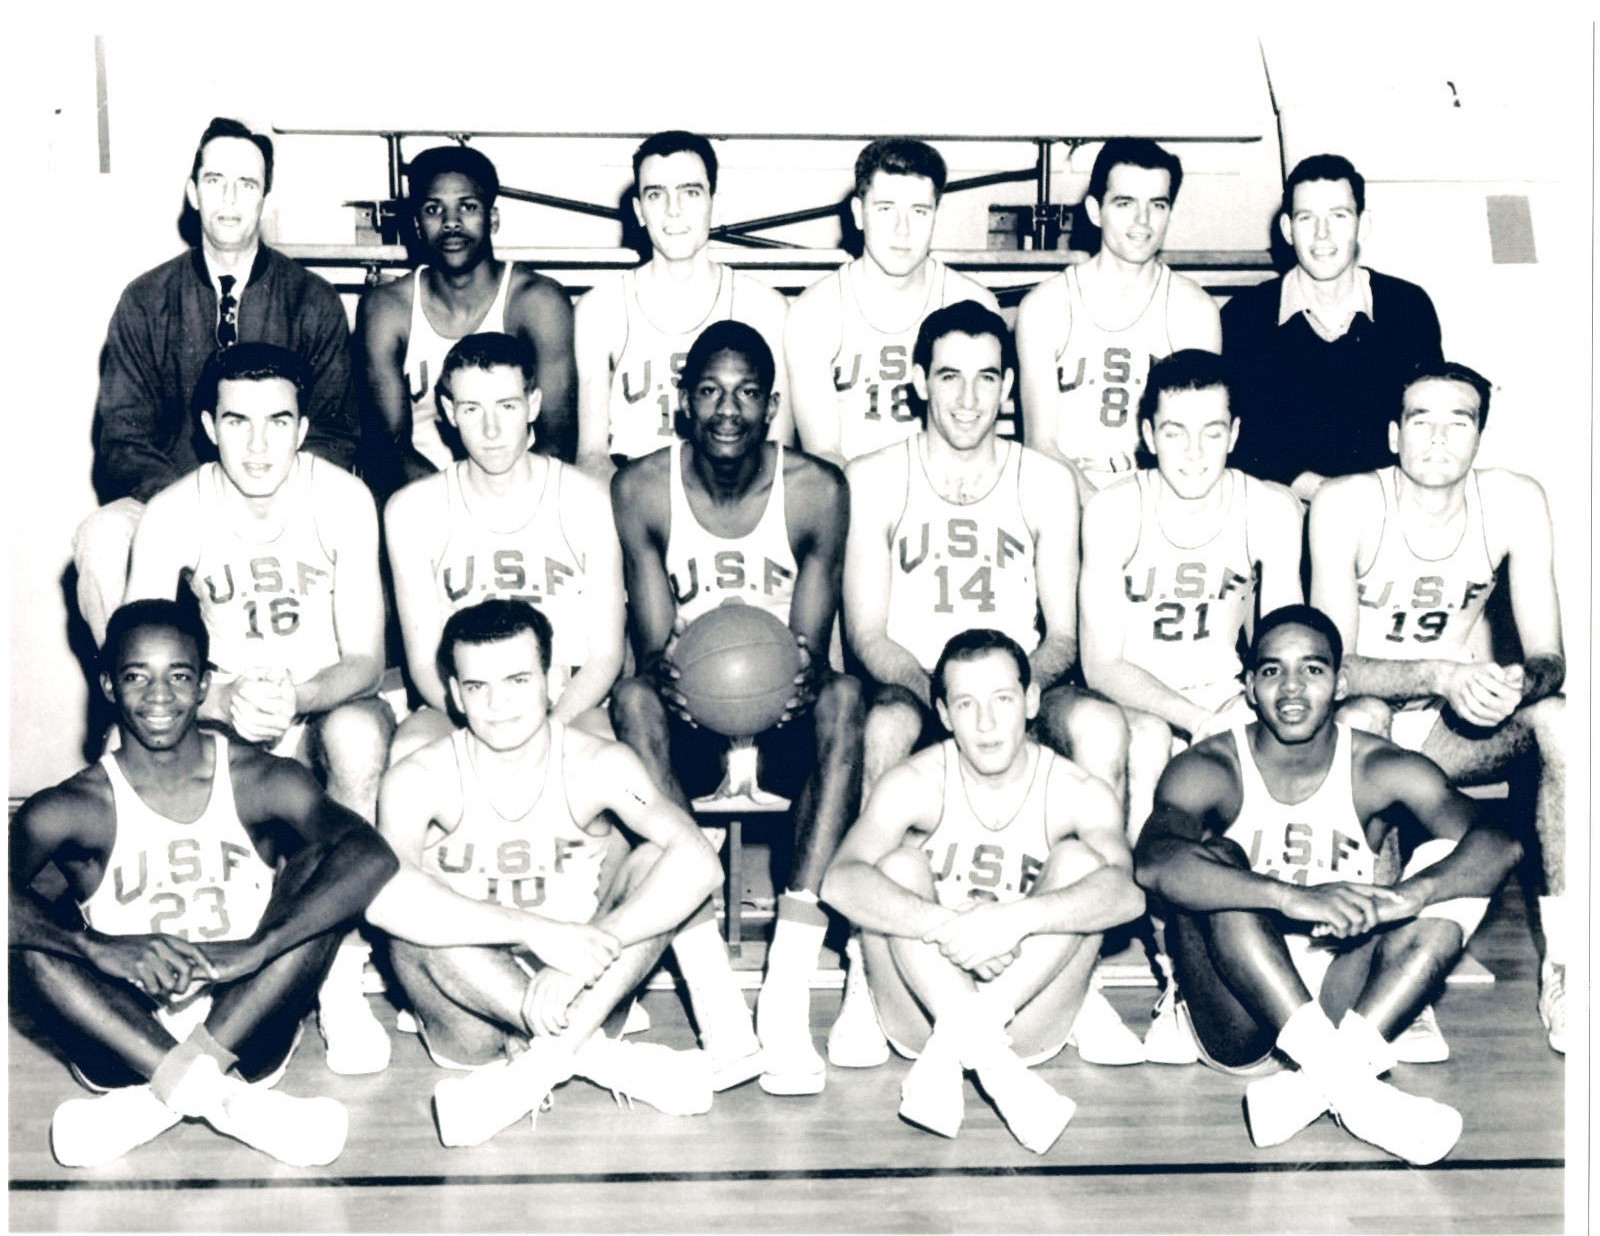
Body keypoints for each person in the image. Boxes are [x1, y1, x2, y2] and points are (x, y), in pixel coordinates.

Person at [841, 300, 1141, 1068]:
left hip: (1019, 683)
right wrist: (949, 702)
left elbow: (1064, 635)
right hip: (918, 684)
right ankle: (863, 971)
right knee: (885, 727)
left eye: (986, 378)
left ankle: (1080, 971)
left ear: (1009, 387)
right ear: (918, 382)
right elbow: (868, 634)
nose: (968, 399)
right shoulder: (874, 477)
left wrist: (1006, 698)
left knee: (1104, 726)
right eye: (950, 377)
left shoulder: (1045, 480)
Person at [9, 600, 398, 1169]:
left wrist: (256, 948)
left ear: (203, 686)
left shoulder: (260, 778)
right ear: (109, 686)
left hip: (247, 1017)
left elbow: (372, 856)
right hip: (122, 1029)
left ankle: (159, 1101)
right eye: (136, 676)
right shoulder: (70, 806)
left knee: (326, 884)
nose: (159, 697)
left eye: (178, 676)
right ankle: (225, 1101)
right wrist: (93, 947)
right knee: (33, 942)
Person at [1133, 605, 1520, 1165]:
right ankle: (1357, 1092)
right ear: (1249, 687)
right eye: (1272, 671)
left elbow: (1498, 843)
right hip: (1238, 1011)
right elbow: (1154, 862)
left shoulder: (1377, 765)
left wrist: (1408, 896)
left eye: (1312, 670)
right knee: (1220, 865)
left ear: (1340, 684)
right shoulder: (1211, 765)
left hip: (1344, 1002)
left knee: (1448, 864)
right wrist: (1292, 897)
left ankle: (1325, 1084)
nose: (1292, 688)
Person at [124, 342, 396, 1075]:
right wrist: (218, 699)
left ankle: (340, 975)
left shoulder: (343, 498)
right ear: (209, 426)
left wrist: (299, 697)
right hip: (221, 711)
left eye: (278, 421)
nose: (258, 444)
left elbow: (365, 660)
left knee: (357, 738)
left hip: (322, 702)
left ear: (303, 428)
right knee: (141, 744)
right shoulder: (174, 511)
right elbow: (136, 663)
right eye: (238, 422)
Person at [609, 319, 863, 1097]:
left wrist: (789, 681)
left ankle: (786, 988)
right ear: (683, 402)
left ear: (772, 406)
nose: (728, 410)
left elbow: (810, 654)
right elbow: (655, 653)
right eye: (711, 392)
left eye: (748, 393)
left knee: (846, 697)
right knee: (632, 700)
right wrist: (681, 681)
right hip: (688, 717)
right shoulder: (641, 488)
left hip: (782, 713)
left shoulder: (818, 490)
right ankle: (713, 993)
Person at [364, 600, 723, 1146]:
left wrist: (584, 956)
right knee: (412, 914)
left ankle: (539, 1067)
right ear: (455, 694)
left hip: (587, 989)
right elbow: (383, 899)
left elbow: (699, 860)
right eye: (478, 686)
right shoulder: (419, 776)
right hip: (470, 1012)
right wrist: (537, 932)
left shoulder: (601, 764)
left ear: (552, 682)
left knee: (658, 860)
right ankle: (591, 1056)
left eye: (517, 680)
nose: (498, 704)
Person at [1308, 361, 1567, 1052]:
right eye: (1421, 421)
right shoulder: (1346, 502)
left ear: (1480, 436)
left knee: (1563, 721)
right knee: (1367, 720)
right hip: (1369, 715)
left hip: (1453, 727)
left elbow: (1551, 658)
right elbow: (1332, 670)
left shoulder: (1515, 500)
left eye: (1460, 422)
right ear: (1394, 434)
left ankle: (1569, 965)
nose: (1439, 438)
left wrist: (1514, 683)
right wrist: (1440, 674)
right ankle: (1385, 978)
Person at [821, 629, 1143, 1154]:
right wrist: (951, 927)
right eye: (966, 704)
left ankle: (970, 1040)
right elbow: (840, 880)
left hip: (1025, 1014)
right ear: (944, 714)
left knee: (1083, 864)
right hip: (921, 1012)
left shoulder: (1076, 790)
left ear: (1031, 701)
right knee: (897, 866)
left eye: (1003, 699)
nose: (987, 722)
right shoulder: (916, 780)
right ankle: (998, 1072)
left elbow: (1126, 895)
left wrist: (1015, 920)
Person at [75, 118, 360, 645]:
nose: (229, 199)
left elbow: (335, 434)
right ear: (193, 193)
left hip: (282, 502)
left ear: (265, 200)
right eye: (215, 181)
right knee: (100, 540)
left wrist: (265, 501)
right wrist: (193, 506)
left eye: (246, 184)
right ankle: (135, 685)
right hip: (172, 499)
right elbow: (122, 439)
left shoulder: (313, 300)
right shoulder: (145, 300)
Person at [1079, 349, 1302, 846]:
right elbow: (1101, 666)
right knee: (1148, 740)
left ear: (1235, 434)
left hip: (1226, 694)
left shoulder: (1269, 509)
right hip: (1134, 698)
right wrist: (1199, 721)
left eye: (1212, 432)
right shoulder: (1113, 510)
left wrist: (1240, 710)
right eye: (1175, 432)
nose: (1194, 453)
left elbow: (1284, 647)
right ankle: (1138, 885)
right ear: (1148, 435)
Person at [384, 332, 624, 765]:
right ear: (448, 412)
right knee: (411, 749)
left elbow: (606, 655)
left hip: (567, 697)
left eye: (507, 406)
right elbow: (423, 664)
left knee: (603, 754)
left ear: (533, 405)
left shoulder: (589, 500)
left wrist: (548, 730)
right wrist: (482, 723)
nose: (491, 430)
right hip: (467, 701)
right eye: (472, 409)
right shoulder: (412, 511)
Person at [1221, 154, 1443, 503]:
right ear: (1287, 229)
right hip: (1281, 507)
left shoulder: (1407, 307)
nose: (1322, 234)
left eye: (1338, 216)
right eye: (1306, 218)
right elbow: (1236, 438)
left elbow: (1428, 420)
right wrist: (1323, 495)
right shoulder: (1244, 317)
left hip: (1386, 505)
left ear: (1362, 225)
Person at [356, 144, 578, 493]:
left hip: (524, 492)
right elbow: (388, 447)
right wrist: (458, 505)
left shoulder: (537, 302)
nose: (451, 222)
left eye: (468, 206)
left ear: (493, 219)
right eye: (433, 209)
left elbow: (557, 441)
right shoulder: (386, 308)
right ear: (416, 224)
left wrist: (501, 503)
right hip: (423, 496)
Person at [574, 131, 790, 476]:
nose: (673, 210)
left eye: (690, 192)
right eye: (656, 194)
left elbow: (777, 453)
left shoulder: (765, 309)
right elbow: (591, 457)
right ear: (639, 210)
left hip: (733, 494)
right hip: (633, 493)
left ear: (714, 204)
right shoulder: (598, 310)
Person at [1016, 139, 1221, 494]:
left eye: (1157, 205)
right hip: (1063, 494)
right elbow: (1041, 444)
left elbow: (1196, 444)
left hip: (1159, 495)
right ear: (1095, 211)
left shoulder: (1195, 310)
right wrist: (1102, 512)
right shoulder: (1046, 305)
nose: (1143, 221)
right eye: (1125, 203)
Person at [786, 139, 1003, 466]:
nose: (902, 230)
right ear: (858, 213)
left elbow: (977, 447)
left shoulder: (973, 303)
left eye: (919, 211)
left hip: (949, 487)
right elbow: (824, 455)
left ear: (937, 215)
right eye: (885, 209)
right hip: (852, 489)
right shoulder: (815, 311)